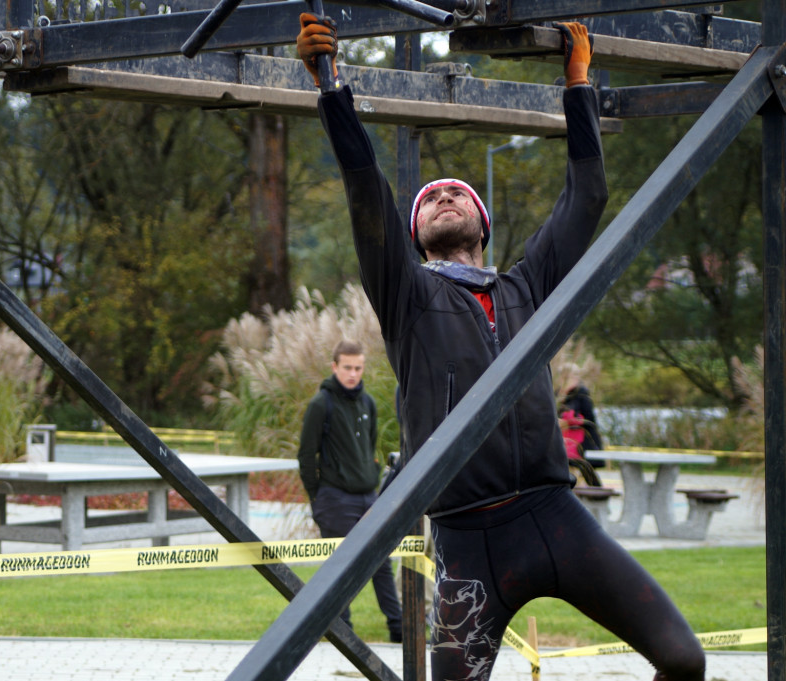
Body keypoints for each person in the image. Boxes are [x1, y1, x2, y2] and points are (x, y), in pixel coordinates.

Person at [296, 16, 705, 681]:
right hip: (465, 541)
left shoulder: (528, 287)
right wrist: (329, 85)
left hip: (555, 516)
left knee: (684, 660)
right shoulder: (408, 296)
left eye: (458, 192)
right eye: (430, 199)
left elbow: (587, 194)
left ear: (482, 226)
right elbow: (366, 188)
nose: (446, 194)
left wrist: (577, 82)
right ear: (418, 235)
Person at [297, 339, 403, 643]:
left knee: (382, 562)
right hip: (335, 499)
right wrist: (318, 499)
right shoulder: (322, 404)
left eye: (358, 368)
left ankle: (398, 628)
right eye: (347, 368)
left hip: (369, 497)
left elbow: (370, 448)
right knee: (340, 568)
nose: (353, 374)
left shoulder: (368, 402)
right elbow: (306, 456)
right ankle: (342, 632)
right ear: (335, 367)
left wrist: (372, 481)